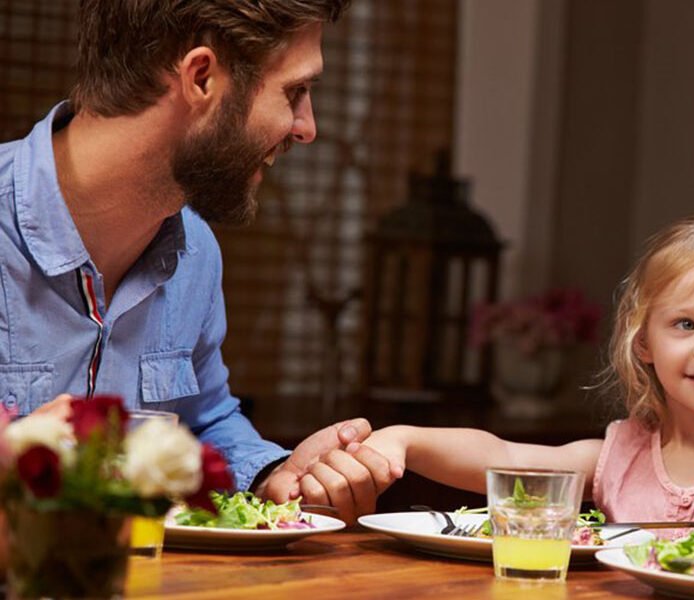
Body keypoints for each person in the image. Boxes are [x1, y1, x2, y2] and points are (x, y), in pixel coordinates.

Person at [0, 0, 398, 521]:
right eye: (294, 92)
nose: (306, 128)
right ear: (202, 77)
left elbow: (203, 419)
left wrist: (272, 475)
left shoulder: (196, 251)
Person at [349, 207, 694, 537]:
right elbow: (502, 457)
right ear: (644, 343)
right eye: (685, 324)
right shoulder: (619, 457)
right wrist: (405, 440)